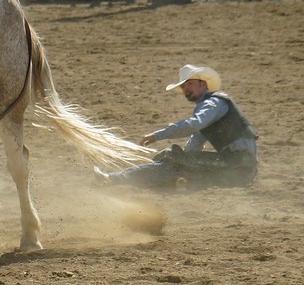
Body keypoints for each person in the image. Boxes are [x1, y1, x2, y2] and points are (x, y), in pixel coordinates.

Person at [96, 64, 258, 190]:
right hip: (236, 168)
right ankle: (118, 181)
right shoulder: (211, 107)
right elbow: (195, 141)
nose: (186, 89)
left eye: (190, 84)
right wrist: (183, 159)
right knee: (174, 165)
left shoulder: (214, 103)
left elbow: (193, 125)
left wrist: (158, 136)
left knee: (173, 161)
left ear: (203, 84)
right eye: (183, 87)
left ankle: (115, 180)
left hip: (236, 165)